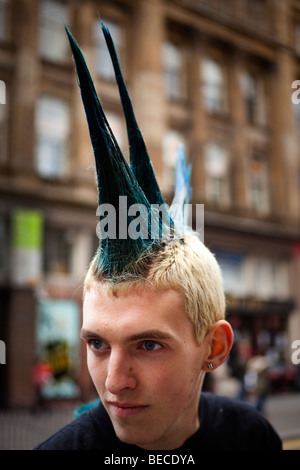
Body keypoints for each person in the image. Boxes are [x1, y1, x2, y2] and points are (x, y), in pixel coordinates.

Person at [34, 20, 282, 451]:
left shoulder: (252, 437)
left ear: (215, 347)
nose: (114, 382)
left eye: (148, 344)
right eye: (96, 343)